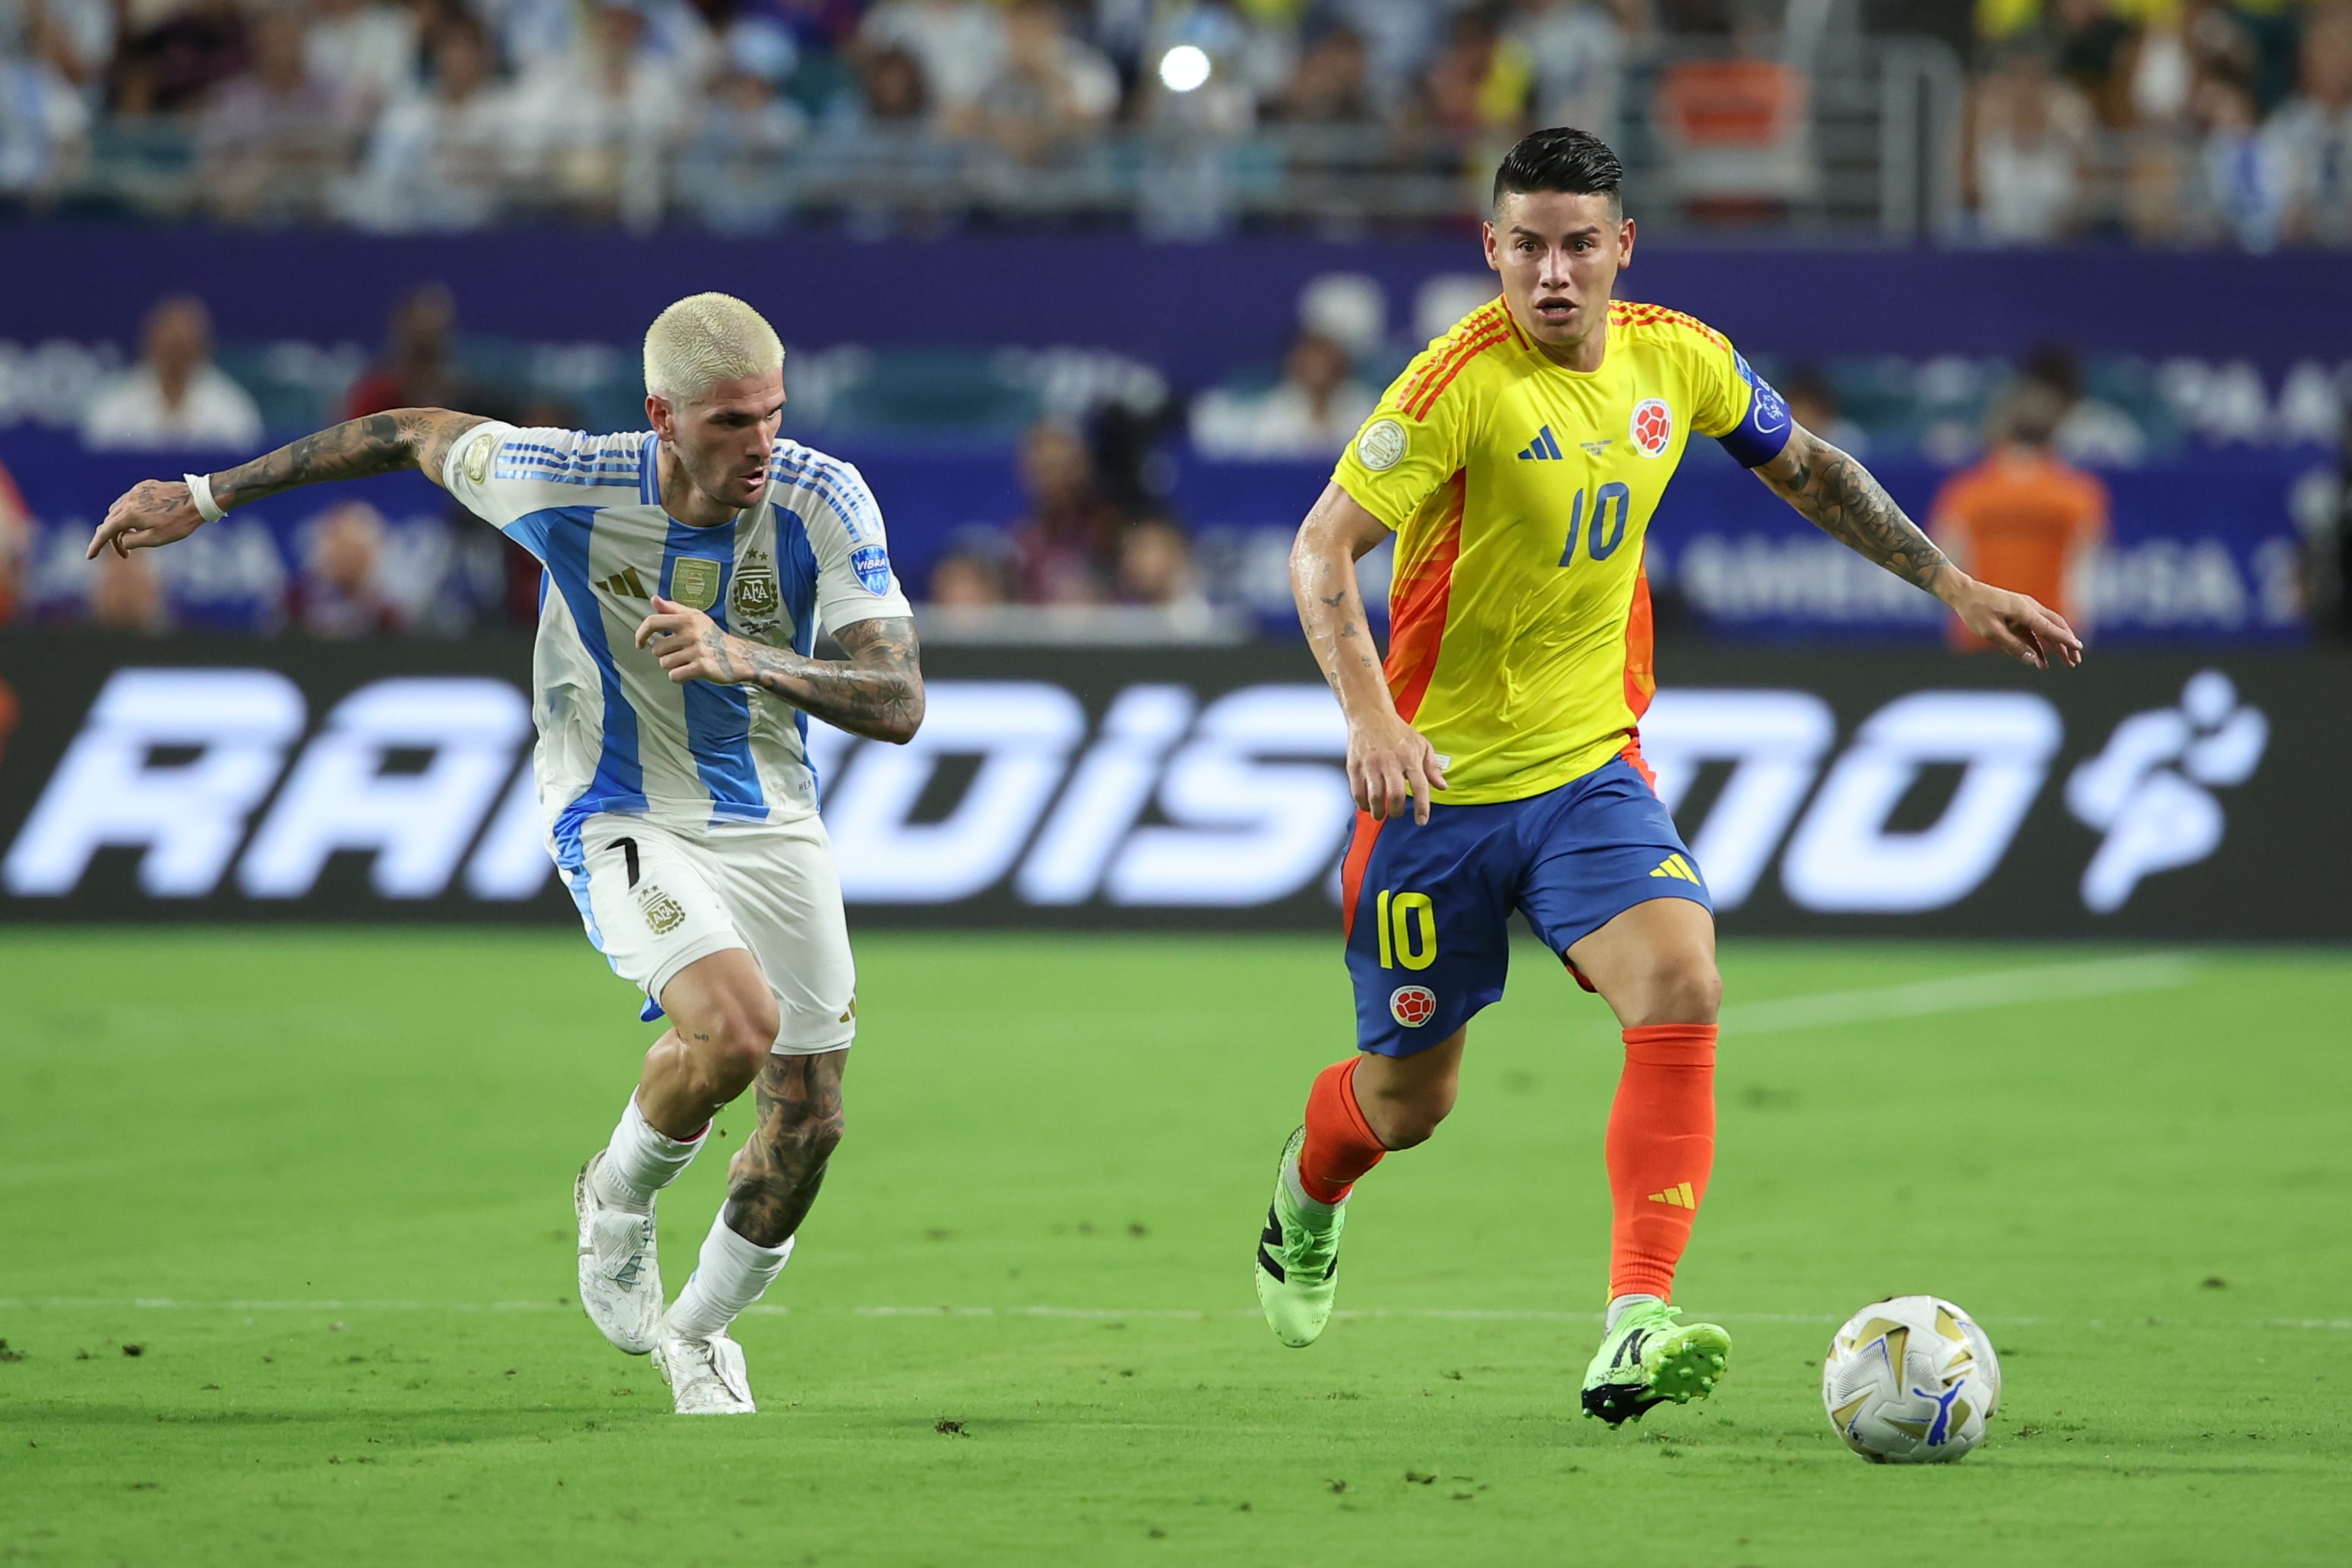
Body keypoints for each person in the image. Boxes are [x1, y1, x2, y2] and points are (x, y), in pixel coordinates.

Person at [1257, 127, 2080, 1426]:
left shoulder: (1678, 356)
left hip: (1590, 768)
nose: (1554, 272)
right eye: (1528, 246)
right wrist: (1371, 718)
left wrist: (1955, 584)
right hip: (1434, 789)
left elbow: (1813, 471)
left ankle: (1634, 1319)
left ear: (1622, 246)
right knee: (1409, 1103)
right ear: (1491, 248)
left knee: (1683, 980)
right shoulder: (1453, 385)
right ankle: (1307, 1194)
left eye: (1580, 244)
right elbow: (1318, 551)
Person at [87, 292, 926, 1418]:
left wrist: (746, 657)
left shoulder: (823, 498)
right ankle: (616, 1195)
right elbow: (405, 432)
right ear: (662, 417)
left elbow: (899, 699)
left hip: (770, 813)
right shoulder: (563, 478)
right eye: (732, 422)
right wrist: (203, 496)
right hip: (619, 806)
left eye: (774, 413)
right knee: (734, 1031)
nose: (762, 443)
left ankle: (697, 1335)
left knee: (812, 1117)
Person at [1930, 384, 2108, 654]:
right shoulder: (2078, 494)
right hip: (2054, 635)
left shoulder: (1967, 492)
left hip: (1983, 632)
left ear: (2001, 430)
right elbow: (2085, 565)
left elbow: (1947, 558)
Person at [79, 296, 265, 452]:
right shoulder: (113, 403)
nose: (175, 354)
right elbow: (93, 452)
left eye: (183, 346)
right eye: (169, 345)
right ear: (149, 343)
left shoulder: (232, 408)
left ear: (204, 347)